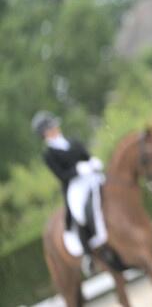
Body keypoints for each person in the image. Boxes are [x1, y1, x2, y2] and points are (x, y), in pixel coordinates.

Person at [32, 111, 106, 275]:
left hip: (90, 177)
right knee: (79, 213)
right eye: (50, 127)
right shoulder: (49, 154)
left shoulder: (73, 141)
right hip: (74, 186)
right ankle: (89, 255)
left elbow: (86, 156)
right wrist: (77, 170)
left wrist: (92, 162)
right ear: (44, 133)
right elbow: (61, 175)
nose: (55, 128)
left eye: (54, 125)